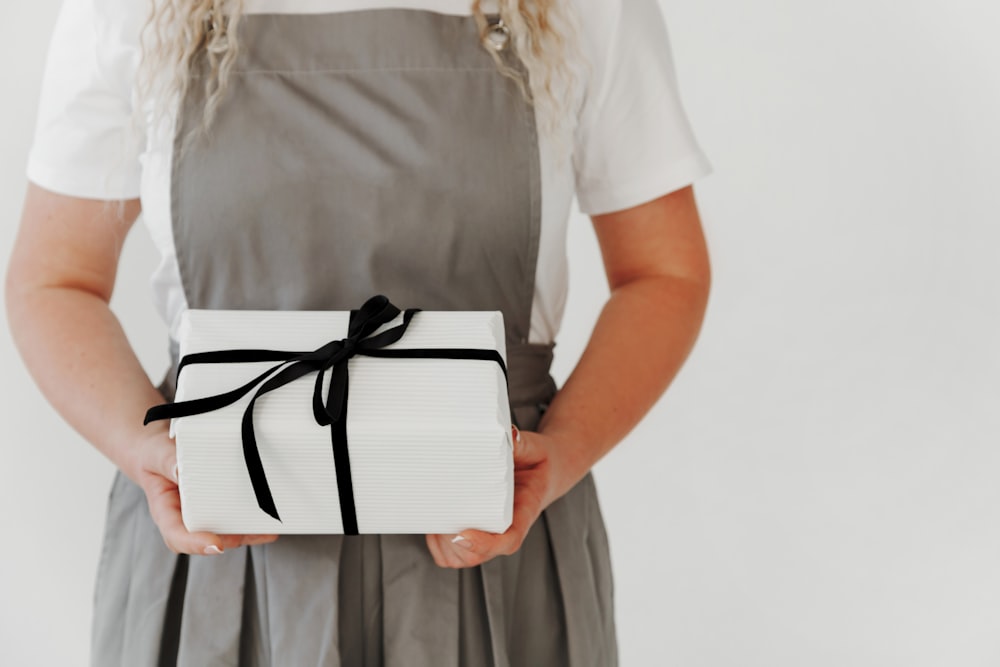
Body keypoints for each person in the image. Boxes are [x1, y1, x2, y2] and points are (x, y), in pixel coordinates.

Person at [5, 0, 712, 664]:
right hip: (221, 551)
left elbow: (663, 270)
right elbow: (54, 278)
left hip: (495, 534)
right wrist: (145, 447)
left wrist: (560, 453)